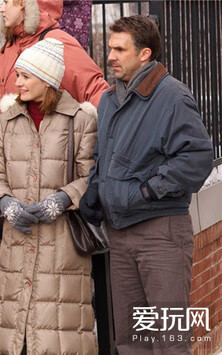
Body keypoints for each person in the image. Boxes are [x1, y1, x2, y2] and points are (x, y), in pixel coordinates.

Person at [80, 16, 213, 354]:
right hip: (120, 236)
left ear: (145, 54)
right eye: (110, 48)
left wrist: (148, 190)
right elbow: (104, 154)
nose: (110, 56)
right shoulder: (109, 100)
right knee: (130, 341)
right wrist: (97, 187)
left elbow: (196, 158)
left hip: (162, 235)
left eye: (119, 49)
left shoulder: (172, 97)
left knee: (169, 343)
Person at [0, 38, 98, 354]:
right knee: (13, 338)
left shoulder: (80, 119)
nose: (16, 82)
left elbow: (91, 177)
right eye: (16, 75)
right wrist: (5, 203)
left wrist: (61, 199)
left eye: (25, 76)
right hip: (16, 244)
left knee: (59, 336)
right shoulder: (5, 121)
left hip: (62, 247)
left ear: (46, 79)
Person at [0, 0, 109, 119]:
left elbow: (94, 90)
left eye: (6, 2)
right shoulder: (11, 43)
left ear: (23, 3)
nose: (1, 9)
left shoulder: (56, 42)